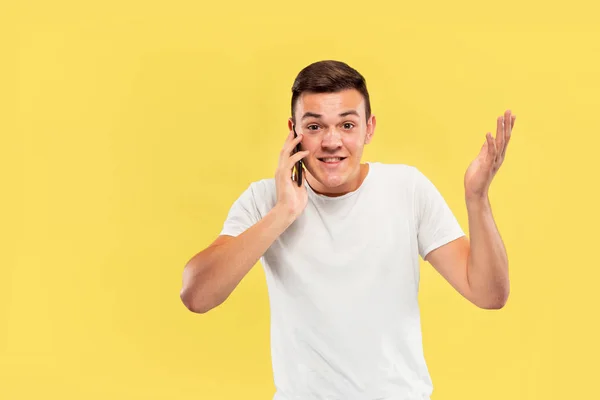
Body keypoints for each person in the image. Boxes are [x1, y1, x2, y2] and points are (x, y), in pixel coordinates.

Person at [180, 60, 515, 400]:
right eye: (314, 127)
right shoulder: (264, 199)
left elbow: (488, 294)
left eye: (347, 124)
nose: (331, 141)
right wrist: (283, 212)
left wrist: (477, 198)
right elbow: (197, 295)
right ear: (293, 130)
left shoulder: (407, 189)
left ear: (368, 128)